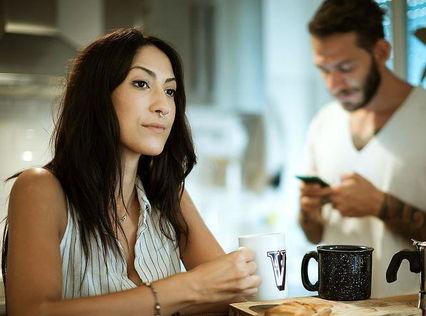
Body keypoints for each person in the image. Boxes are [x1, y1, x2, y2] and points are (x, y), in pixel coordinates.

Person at [2, 28, 260, 315]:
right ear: (98, 95)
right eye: (141, 84)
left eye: (170, 90)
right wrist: (189, 287)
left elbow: (229, 297)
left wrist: (236, 279)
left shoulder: (168, 194)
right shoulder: (40, 189)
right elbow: (30, 311)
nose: (163, 106)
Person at [298, 0, 426, 297]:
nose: (334, 84)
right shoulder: (323, 123)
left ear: (381, 52)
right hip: (332, 306)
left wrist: (380, 206)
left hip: (413, 306)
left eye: (345, 68)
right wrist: (309, 212)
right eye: (324, 70)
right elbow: (314, 234)